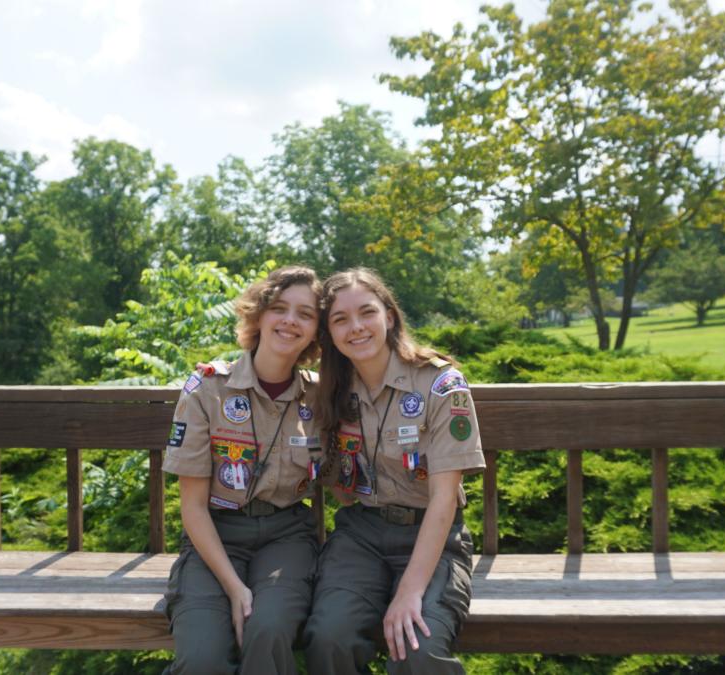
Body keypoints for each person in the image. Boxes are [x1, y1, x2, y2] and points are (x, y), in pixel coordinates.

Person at [304, 268, 484, 674]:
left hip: (430, 536)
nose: (356, 328)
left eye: (366, 312)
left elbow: (443, 500)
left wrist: (410, 590)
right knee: (330, 638)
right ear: (328, 334)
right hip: (359, 537)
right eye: (340, 319)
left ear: (389, 314)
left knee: (417, 652)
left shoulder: (440, 384)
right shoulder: (329, 391)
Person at [162, 265, 323, 675]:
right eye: (279, 308)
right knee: (202, 659)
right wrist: (235, 588)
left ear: (316, 329)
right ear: (258, 314)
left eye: (306, 314)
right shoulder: (208, 389)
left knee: (266, 633)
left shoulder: (323, 395)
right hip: (215, 536)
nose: (290, 321)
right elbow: (193, 507)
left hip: (287, 536)